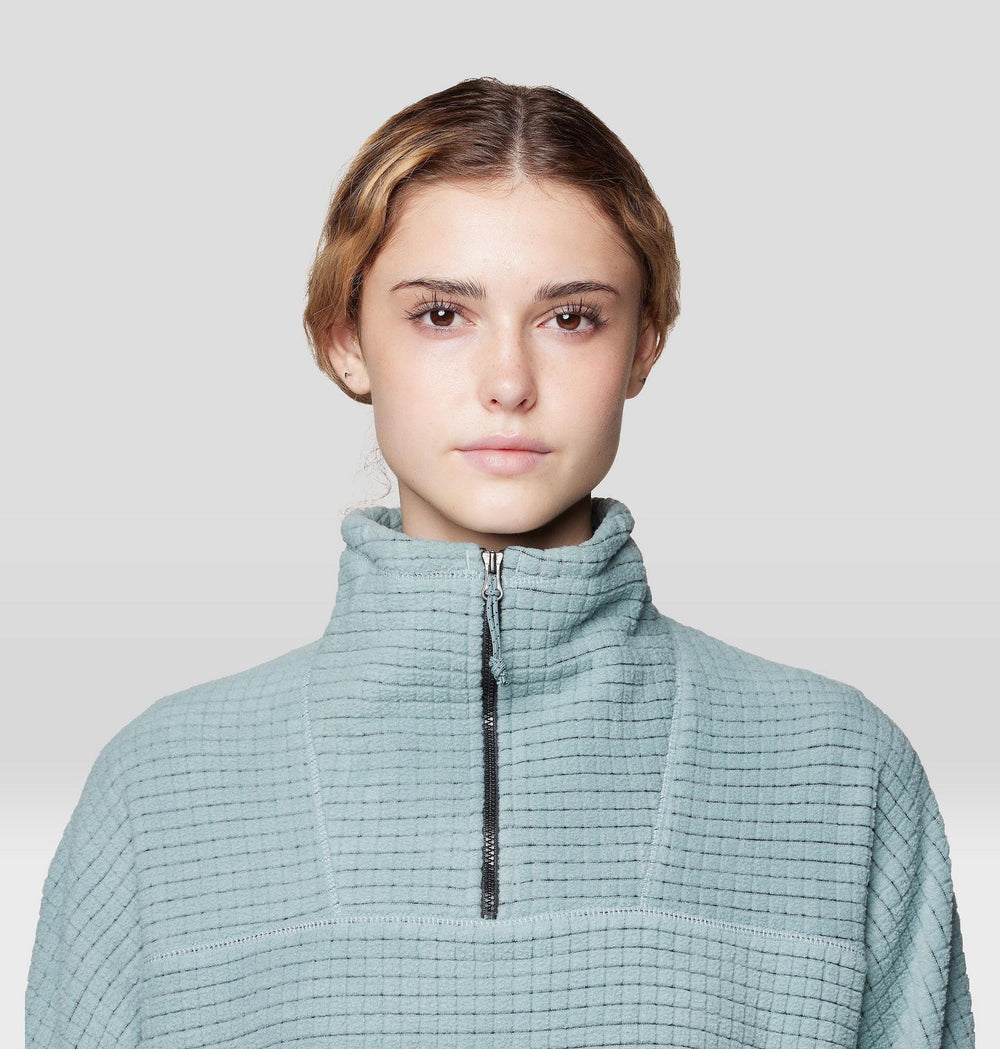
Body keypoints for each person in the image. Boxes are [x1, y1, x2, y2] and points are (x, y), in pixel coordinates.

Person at [25, 76, 975, 1048]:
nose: (509, 382)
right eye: (442, 314)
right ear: (345, 339)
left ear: (644, 345)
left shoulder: (837, 769)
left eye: (571, 317)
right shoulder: (159, 788)